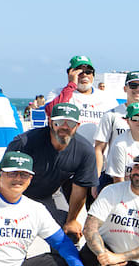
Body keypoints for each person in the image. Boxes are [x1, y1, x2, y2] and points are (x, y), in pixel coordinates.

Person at [6, 102, 96, 243]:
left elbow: (80, 190)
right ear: (50, 122)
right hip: (17, 194)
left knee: (69, 236)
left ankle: (65, 264)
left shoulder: (85, 150)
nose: (64, 127)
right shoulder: (24, 143)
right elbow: (3, 179)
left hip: (51, 193)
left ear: (77, 126)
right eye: (59, 122)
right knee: (7, 234)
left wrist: (72, 220)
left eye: (70, 123)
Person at [94, 71, 139, 183]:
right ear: (125, 88)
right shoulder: (111, 114)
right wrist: (95, 179)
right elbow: (99, 149)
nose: (138, 89)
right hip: (114, 175)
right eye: (133, 85)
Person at [43, 55, 116, 143]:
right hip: (69, 150)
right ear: (70, 73)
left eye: (88, 72)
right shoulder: (57, 93)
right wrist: (71, 86)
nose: (84, 75)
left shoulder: (107, 97)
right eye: (79, 72)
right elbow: (51, 112)